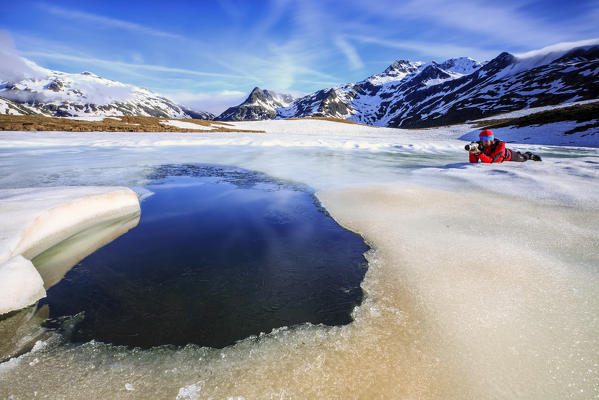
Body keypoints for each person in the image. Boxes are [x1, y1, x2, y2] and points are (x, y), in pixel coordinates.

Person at [468, 129, 542, 163]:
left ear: (491, 139)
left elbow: (491, 160)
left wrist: (479, 153)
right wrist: (472, 152)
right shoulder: (480, 145)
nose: (483, 141)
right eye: (482, 139)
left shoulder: (500, 145)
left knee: (522, 158)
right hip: (494, 158)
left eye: (485, 139)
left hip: (509, 156)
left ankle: (529, 155)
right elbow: (473, 162)